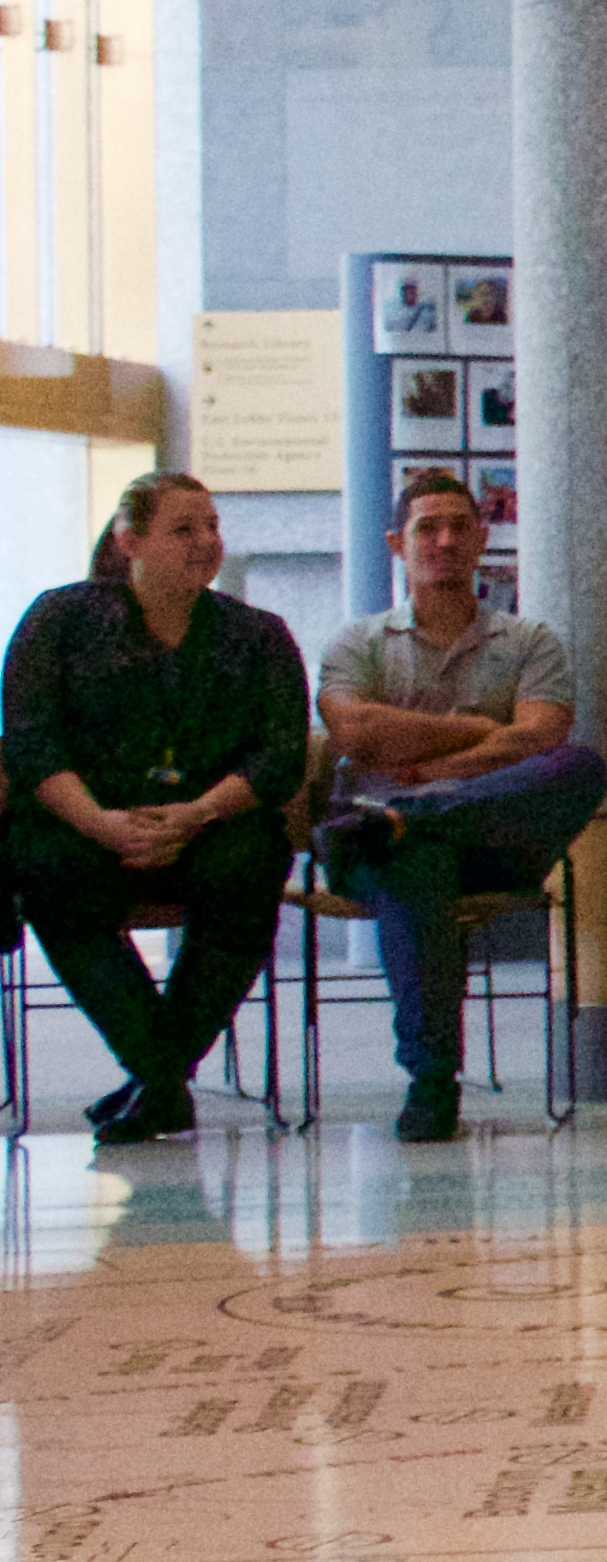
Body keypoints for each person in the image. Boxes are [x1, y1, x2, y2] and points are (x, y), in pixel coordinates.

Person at [309, 468, 607, 1140]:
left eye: (458, 526)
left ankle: (404, 814)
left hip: (483, 841)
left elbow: (540, 737)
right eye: (427, 527)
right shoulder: (357, 645)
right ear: (397, 542)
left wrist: (420, 773)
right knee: (414, 861)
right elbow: (354, 732)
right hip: (379, 856)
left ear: (481, 537)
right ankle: (430, 1082)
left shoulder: (528, 642)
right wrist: (479, 734)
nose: (444, 540)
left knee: (578, 765)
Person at [1, 473, 302, 1142]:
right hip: (89, 823)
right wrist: (100, 823)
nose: (206, 542)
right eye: (184, 528)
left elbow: (279, 755)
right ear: (129, 538)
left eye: (213, 527)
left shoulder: (259, 635)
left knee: (251, 863)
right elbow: (29, 742)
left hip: (210, 822)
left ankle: (156, 1080)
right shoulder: (59, 618)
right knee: (51, 869)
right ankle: (163, 1078)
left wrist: (196, 813)